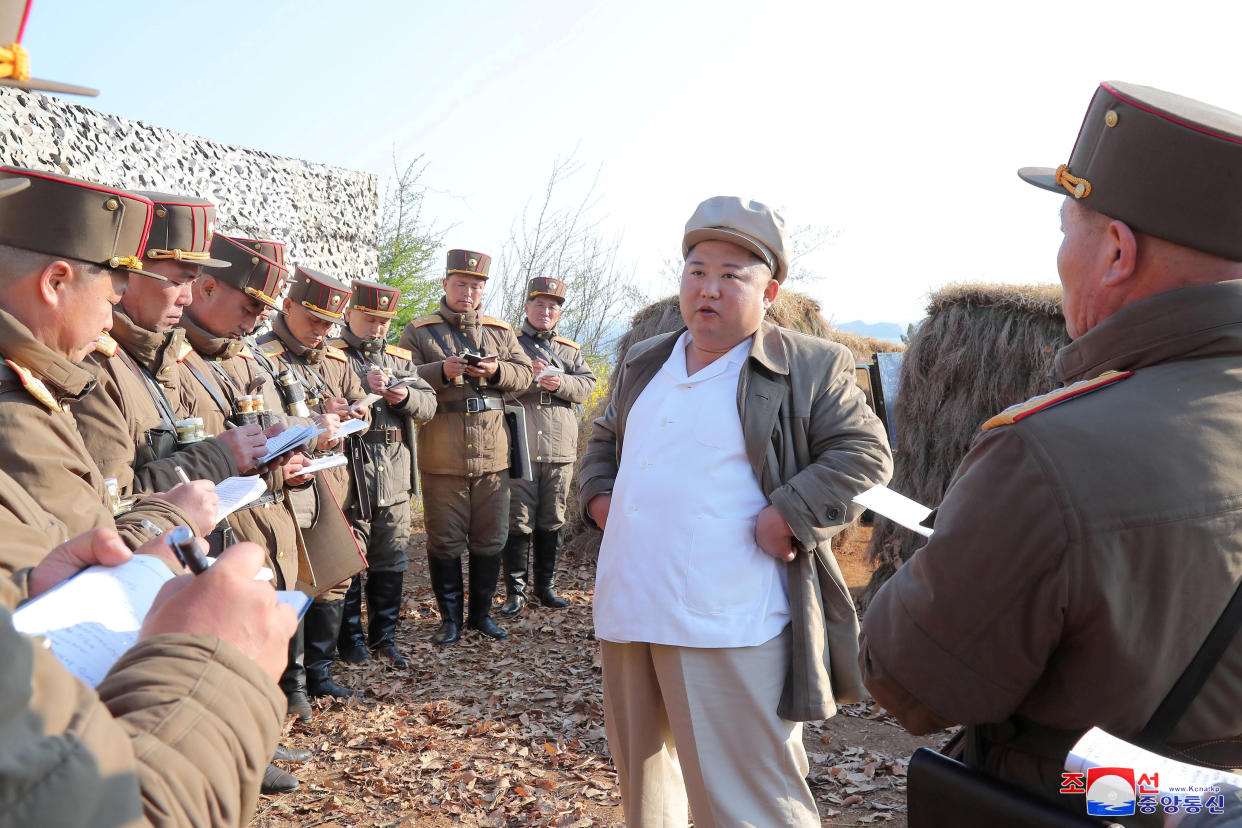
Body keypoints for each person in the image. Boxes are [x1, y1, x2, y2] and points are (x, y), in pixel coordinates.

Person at [859, 81, 1242, 800]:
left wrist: (953, 556)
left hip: (1091, 802)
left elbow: (909, 681)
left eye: (1067, 229)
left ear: (1117, 253)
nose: (1060, 256)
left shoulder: (1048, 454)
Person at [578, 196, 893, 827]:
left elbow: (865, 455)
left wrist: (791, 511)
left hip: (727, 618)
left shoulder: (807, 364)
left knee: (748, 801)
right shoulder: (646, 360)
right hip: (632, 604)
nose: (709, 289)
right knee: (645, 791)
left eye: (732, 274)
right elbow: (604, 436)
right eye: (696, 270)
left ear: (770, 288)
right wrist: (598, 495)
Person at [172, 231, 321, 790]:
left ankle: (255, 741)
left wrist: (286, 456)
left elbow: (251, 444)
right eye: (249, 306)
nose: (254, 321)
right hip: (206, 530)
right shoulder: (176, 361)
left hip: (253, 522)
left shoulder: (231, 359)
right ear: (206, 286)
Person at [0, 166, 216, 549]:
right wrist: (173, 517)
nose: (107, 322)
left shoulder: (36, 387)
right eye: (110, 302)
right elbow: (88, 569)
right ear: (55, 283)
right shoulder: (15, 410)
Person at [71, 191, 270, 499]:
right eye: (179, 281)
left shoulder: (164, 355)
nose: (187, 298)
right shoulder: (94, 364)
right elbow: (114, 502)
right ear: (129, 272)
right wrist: (220, 458)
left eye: (192, 283)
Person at [398, 249, 533, 644]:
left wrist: (496, 371)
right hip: (443, 456)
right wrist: (441, 371)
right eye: (461, 284)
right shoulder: (420, 331)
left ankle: (482, 616)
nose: (468, 292)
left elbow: (524, 375)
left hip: (493, 455)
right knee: (445, 540)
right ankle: (450, 620)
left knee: (491, 538)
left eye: (476, 286)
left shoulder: (501, 330)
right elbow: (401, 375)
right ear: (445, 285)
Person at [256, 266, 369, 698]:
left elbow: (363, 405)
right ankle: (294, 683)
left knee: (334, 574)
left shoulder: (332, 360)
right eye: (314, 320)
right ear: (287, 307)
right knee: (294, 576)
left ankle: (320, 674)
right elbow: (265, 420)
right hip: (290, 482)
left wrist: (355, 409)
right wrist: (314, 422)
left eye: (328, 324)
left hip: (333, 479)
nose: (321, 331)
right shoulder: (262, 357)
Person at [332, 279, 436, 666]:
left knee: (391, 557)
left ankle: (384, 637)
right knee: (351, 557)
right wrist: (361, 387)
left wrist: (405, 396)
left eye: (385, 321)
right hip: (350, 469)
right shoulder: (332, 354)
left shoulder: (400, 359)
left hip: (393, 470)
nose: (377, 327)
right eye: (370, 318)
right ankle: (351, 640)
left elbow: (429, 406)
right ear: (349, 314)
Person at [500, 276, 596, 615]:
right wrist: (529, 377)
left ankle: (546, 587)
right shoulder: (510, 344)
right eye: (539, 304)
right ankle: (516, 591)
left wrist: (560, 381)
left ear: (559, 313)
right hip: (520, 443)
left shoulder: (569, 351)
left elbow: (587, 386)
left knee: (552, 518)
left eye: (553, 306)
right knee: (517, 519)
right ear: (527, 307)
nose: (545, 311)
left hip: (559, 447)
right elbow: (496, 383)